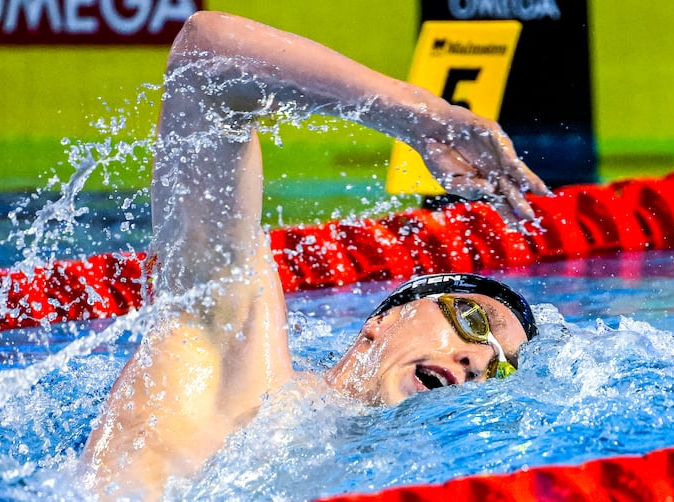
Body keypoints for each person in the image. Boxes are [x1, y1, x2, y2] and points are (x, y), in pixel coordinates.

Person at [80, 10, 548, 499]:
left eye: (500, 367)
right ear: (384, 319)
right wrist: (417, 115)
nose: (478, 360)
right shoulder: (233, 365)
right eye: (473, 319)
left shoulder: (379, 476)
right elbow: (204, 58)